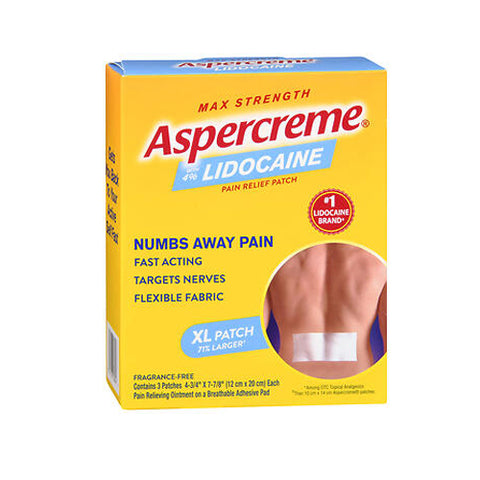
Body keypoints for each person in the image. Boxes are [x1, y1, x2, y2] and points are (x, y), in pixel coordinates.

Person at [264, 243, 386, 379]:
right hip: (358, 382)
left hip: (293, 379)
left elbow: (252, 335)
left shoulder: (275, 257)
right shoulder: (379, 258)